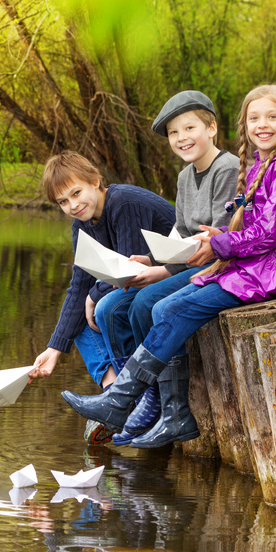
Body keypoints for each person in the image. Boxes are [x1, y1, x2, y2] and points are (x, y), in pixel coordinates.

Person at [61, 83, 276, 449]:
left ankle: (131, 402)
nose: (262, 124)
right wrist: (166, 256)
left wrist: (218, 242)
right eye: (254, 118)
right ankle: (162, 410)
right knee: (151, 305)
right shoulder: (261, 164)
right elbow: (228, 228)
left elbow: (270, 233)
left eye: (272, 117)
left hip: (269, 271)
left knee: (159, 305)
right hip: (247, 265)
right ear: (244, 125)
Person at [92, 90, 239, 445]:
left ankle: (166, 405)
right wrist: (153, 260)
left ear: (212, 128)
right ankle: (143, 397)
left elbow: (215, 240)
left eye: (190, 127)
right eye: (174, 133)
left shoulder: (228, 168)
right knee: (110, 308)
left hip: (218, 263)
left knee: (146, 303)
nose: (181, 138)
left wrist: (163, 272)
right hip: (184, 260)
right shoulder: (186, 176)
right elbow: (180, 230)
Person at [30, 152, 175, 444]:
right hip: (139, 281)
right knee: (77, 325)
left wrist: (93, 296)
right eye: (63, 202)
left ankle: (130, 397)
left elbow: (129, 267)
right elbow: (77, 286)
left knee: (106, 307)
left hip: (172, 273)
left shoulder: (123, 202)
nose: (73, 205)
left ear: (95, 181)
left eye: (76, 193)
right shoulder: (81, 226)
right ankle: (115, 394)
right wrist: (54, 349)